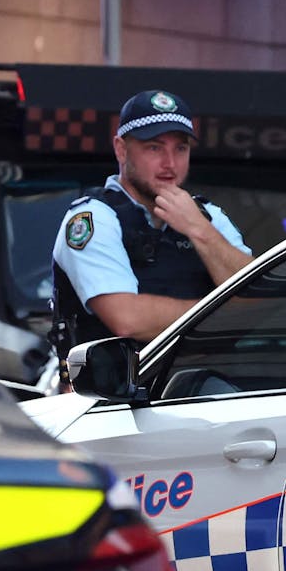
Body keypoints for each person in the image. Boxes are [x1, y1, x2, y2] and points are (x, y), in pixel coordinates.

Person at [49, 89, 253, 367]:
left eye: (180, 148)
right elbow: (128, 320)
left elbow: (255, 297)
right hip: (115, 400)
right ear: (121, 149)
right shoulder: (94, 218)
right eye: (154, 147)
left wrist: (199, 230)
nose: (170, 163)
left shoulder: (207, 217)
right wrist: (224, 314)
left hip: (199, 386)